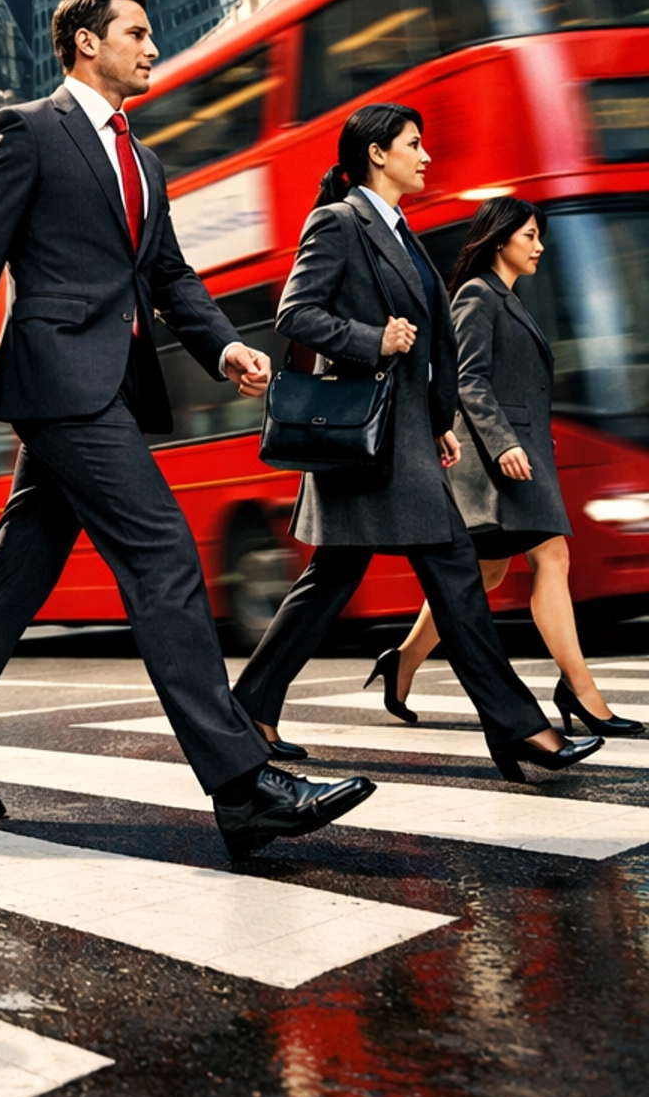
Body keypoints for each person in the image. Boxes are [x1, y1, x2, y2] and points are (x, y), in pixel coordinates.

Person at [0, 0, 378, 862]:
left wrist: (223, 346)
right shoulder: (28, 129)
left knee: (14, 579)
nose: (154, 47)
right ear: (84, 43)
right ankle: (241, 784)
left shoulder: (143, 161)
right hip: (58, 378)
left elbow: (170, 278)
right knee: (162, 554)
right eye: (137, 33)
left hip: (111, 383)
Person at [233, 107, 604, 783]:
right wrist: (371, 340)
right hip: (366, 444)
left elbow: (434, 344)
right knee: (454, 573)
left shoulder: (399, 232)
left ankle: (251, 704)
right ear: (378, 155)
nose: (426, 156)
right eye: (413, 144)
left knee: (332, 582)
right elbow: (296, 313)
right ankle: (521, 729)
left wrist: (438, 422)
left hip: (401, 443)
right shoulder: (341, 222)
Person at [384, 196, 642, 737]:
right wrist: (502, 444)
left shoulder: (508, 298)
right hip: (495, 459)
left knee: (488, 570)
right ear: (500, 239)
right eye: (529, 236)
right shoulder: (477, 297)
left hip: (518, 454)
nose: (539, 246)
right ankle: (581, 690)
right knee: (552, 554)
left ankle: (403, 661)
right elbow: (467, 381)